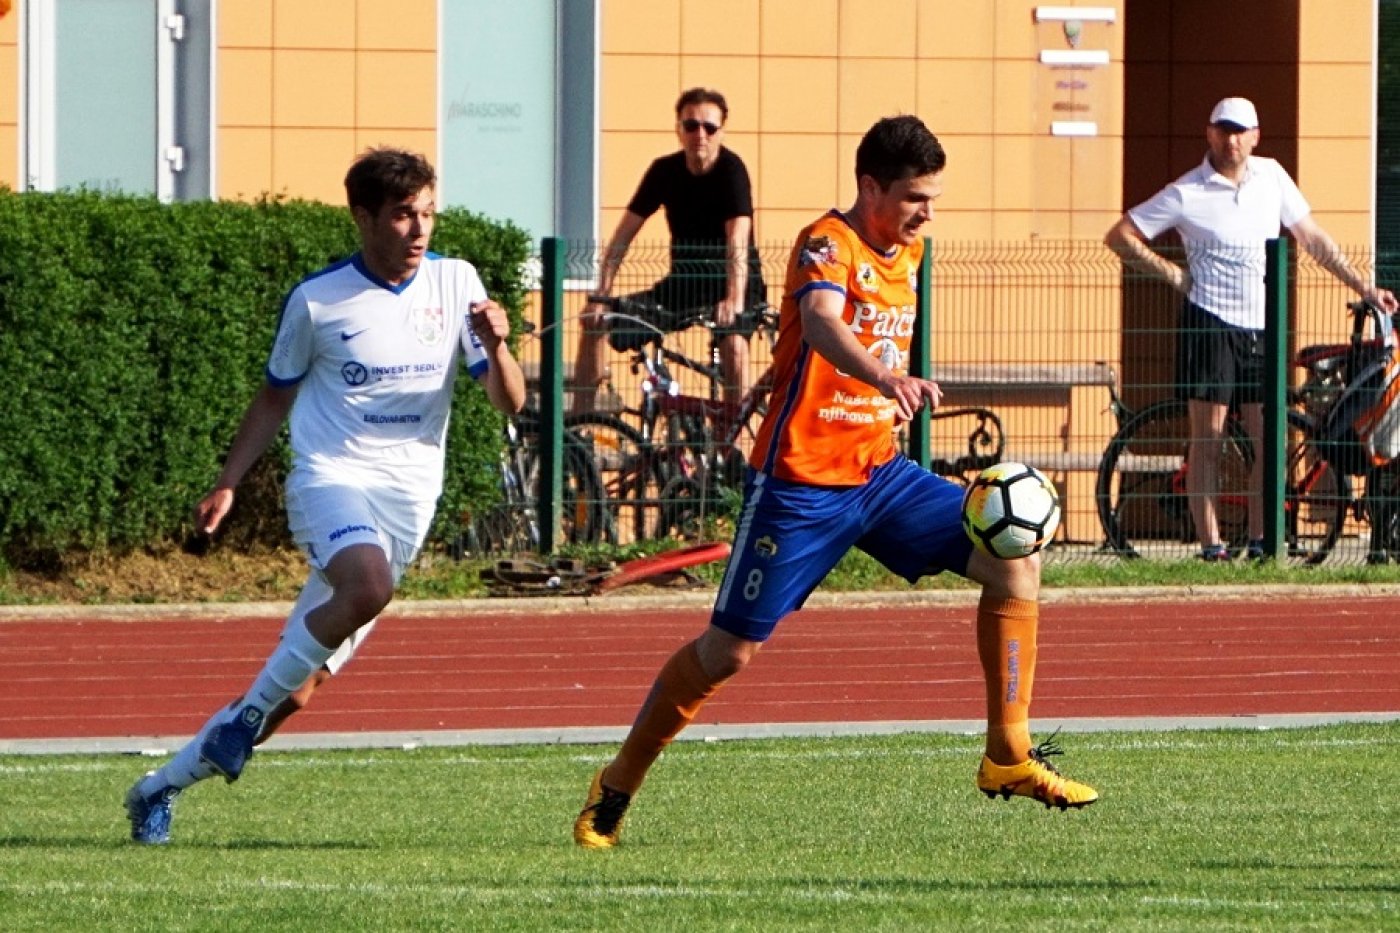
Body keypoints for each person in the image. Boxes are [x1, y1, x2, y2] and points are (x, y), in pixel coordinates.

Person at [572, 115, 1099, 850]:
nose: (927, 214)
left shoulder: (910, 251)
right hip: (800, 485)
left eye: (933, 199)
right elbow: (821, 322)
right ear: (870, 186)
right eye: (915, 198)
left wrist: (879, 391)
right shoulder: (827, 242)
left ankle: (1007, 755)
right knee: (727, 653)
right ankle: (617, 783)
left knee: (1014, 560)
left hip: (881, 474)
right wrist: (885, 376)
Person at [123, 147, 527, 845]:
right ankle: (246, 719)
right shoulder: (317, 300)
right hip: (330, 479)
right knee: (369, 585)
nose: (419, 229)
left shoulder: (457, 281)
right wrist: (228, 482)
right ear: (363, 217)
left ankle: (159, 787)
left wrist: (500, 346)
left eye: (428, 213)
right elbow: (274, 396)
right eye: (402, 214)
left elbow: (508, 401)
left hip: (408, 504)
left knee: (299, 689)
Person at [1106, 96, 1398, 561]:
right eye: (1224, 130)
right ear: (1210, 133)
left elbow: (1313, 237)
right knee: (1209, 438)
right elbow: (1121, 236)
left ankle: (1264, 541)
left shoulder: (1272, 177)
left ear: (1255, 137)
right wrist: (1175, 276)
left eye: (1241, 131)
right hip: (1209, 323)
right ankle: (1212, 547)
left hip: (1262, 326)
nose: (1232, 140)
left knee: (1269, 436)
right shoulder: (1187, 191)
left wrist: (1365, 287)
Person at [572, 87, 766, 413]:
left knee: (734, 346)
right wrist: (601, 295)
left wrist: (733, 299)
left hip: (735, 284)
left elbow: (738, 239)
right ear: (679, 129)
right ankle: (580, 425)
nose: (700, 135)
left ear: (722, 131)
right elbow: (622, 237)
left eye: (709, 127)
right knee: (596, 321)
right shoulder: (664, 171)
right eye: (691, 126)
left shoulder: (732, 171)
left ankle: (736, 436)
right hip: (683, 283)